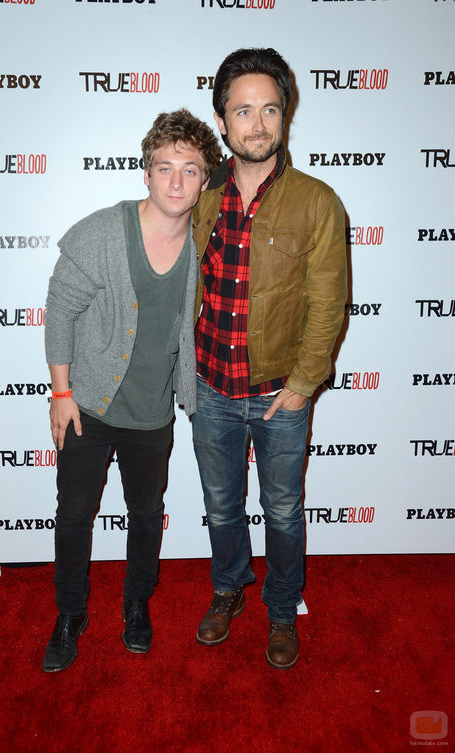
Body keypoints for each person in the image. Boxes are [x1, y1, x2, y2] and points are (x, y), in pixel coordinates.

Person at [42, 109, 220, 672]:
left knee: (146, 514)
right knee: (74, 515)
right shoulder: (102, 232)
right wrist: (61, 394)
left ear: (204, 179)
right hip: (88, 406)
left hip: (152, 412)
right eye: (165, 168)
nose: (176, 182)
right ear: (146, 173)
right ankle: (70, 614)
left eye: (189, 170)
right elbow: (59, 310)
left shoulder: (205, 243)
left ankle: (136, 604)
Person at [192, 49, 347, 669]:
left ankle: (282, 609)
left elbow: (328, 303)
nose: (257, 124)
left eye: (270, 110)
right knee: (221, 506)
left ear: (286, 114)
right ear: (221, 120)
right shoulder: (201, 195)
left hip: (282, 394)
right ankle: (228, 588)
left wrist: (305, 383)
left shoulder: (317, 201)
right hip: (210, 387)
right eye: (242, 110)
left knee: (282, 511)